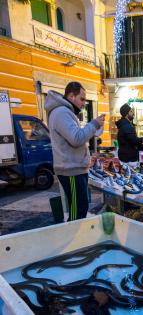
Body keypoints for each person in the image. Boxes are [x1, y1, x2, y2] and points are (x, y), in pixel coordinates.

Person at [45, 81, 105, 221]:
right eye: (82, 99)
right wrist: (94, 124)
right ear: (71, 96)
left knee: (80, 208)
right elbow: (76, 138)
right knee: (77, 211)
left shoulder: (65, 112)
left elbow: (75, 137)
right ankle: (72, 239)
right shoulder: (61, 112)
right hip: (71, 169)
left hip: (75, 168)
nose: (84, 103)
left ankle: (74, 238)